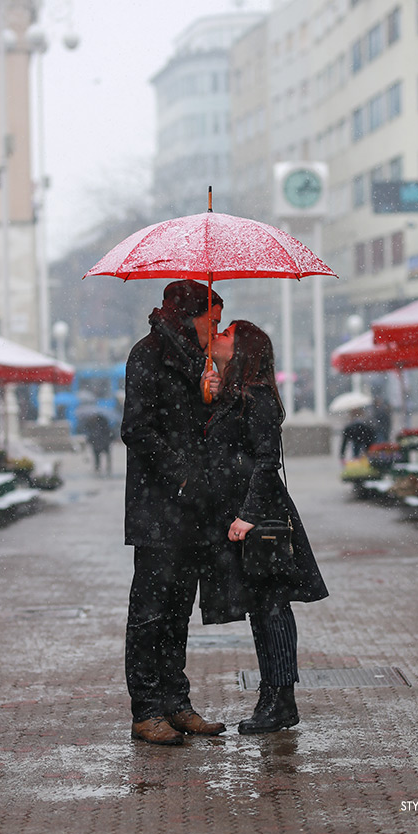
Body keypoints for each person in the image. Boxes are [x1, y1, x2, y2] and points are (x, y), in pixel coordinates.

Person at [202, 320, 328, 734]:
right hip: (245, 515)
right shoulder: (235, 396)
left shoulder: (256, 398)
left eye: (226, 334)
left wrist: (249, 515)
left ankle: (280, 700)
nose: (216, 337)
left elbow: (266, 461)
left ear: (243, 350)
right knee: (262, 608)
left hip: (261, 519)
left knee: (272, 608)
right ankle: (273, 698)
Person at [121, 278, 226, 746]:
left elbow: (198, 428)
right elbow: (136, 429)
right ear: (190, 316)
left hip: (193, 509)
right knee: (150, 612)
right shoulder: (147, 354)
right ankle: (146, 710)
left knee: (180, 609)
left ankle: (176, 703)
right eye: (213, 319)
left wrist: (212, 400)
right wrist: (181, 474)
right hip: (157, 507)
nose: (216, 327)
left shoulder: (197, 361)